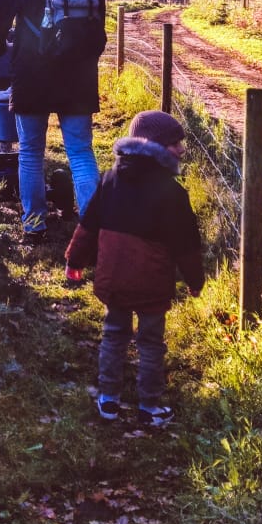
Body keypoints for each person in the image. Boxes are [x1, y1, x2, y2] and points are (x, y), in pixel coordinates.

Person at [64, 109, 204, 429]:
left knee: (114, 334)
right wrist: (195, 281)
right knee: (150, 341)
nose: (181, 149)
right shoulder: (172, 193)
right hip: (151, 281)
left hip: (113, 276)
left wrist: (75, 260)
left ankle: (108, 400)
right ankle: (148, 405)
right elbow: (187, 244)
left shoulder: (109, 180)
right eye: (175, 144)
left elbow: (89, 223)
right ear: (154, 146)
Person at [0, 0, 107, 240]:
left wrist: (0, 52)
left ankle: (34, 224)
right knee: (80, 153)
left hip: (33, 76)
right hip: (78, 79)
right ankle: (92, 232)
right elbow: (100, 34)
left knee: (31, 152)